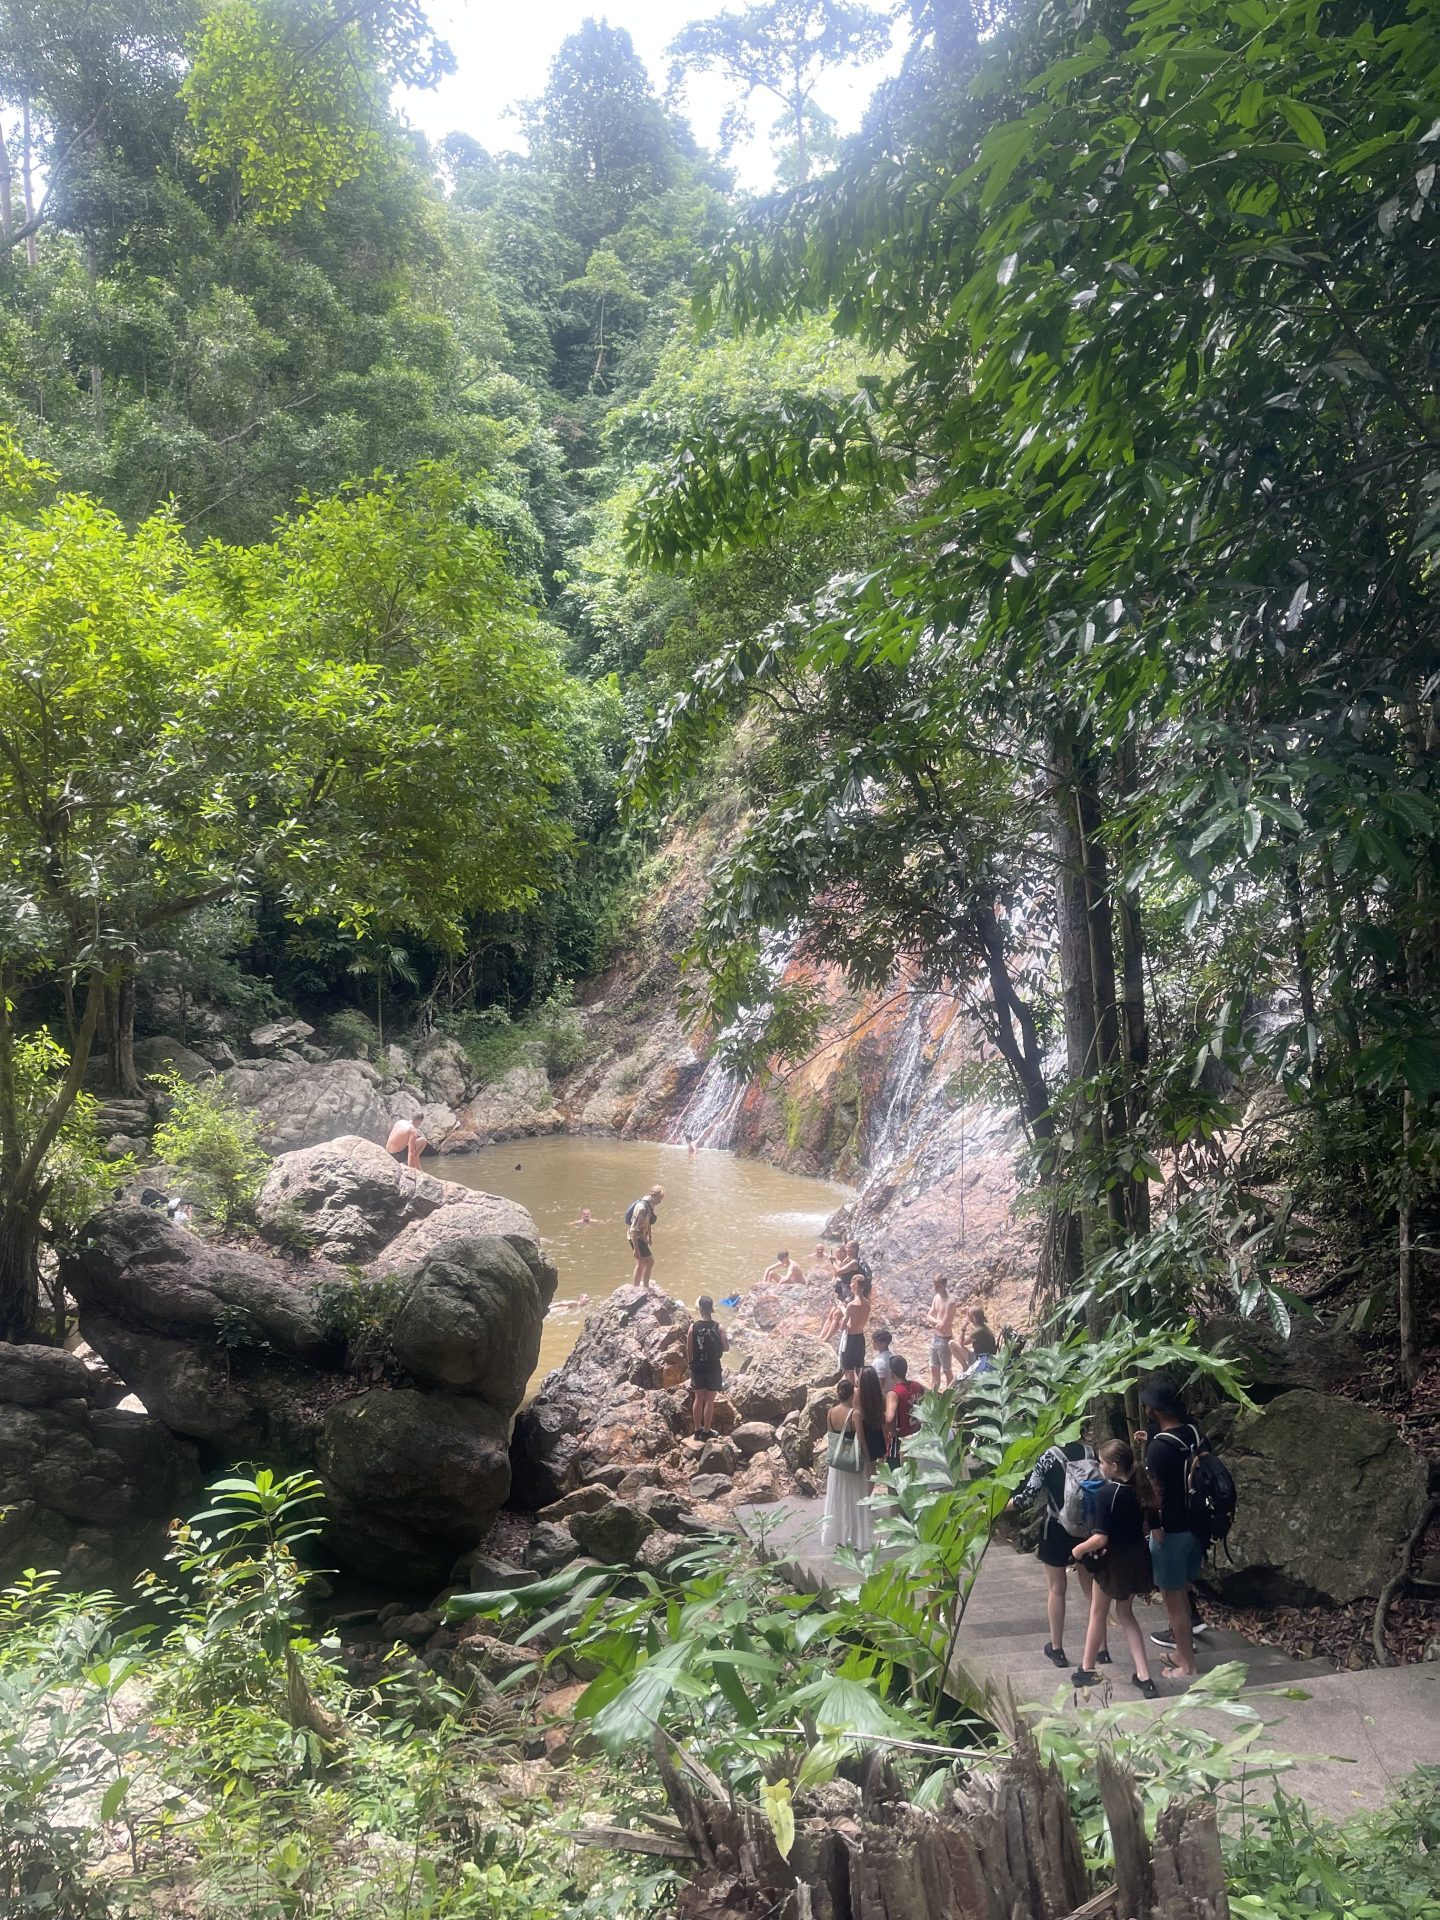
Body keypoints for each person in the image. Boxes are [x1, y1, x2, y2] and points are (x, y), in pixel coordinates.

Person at [1069, 1441, 1160, 1697]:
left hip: (1113, 1562)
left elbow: (1101, 1538)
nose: (1098, 1466)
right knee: (1125, 1612)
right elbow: (1155, 1530)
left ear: (1114, 1466)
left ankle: (1087, 1668)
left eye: (1101, 1462)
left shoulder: (1107, 1494)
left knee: (1098, 1612)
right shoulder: (1141, 1490)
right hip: (1137, 1558)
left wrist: (1078, 1551)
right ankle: (1144, 1676)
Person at [1009, 1439, 1106, 1671]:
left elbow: (1026, 1498)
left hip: (1055, 1528)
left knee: (1056, 1589)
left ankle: (1057, 1649)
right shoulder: (1089, 1451)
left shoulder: (1047, 1458)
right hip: (1086, 1529)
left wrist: (994, 1508)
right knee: (1090, 1590)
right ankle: (1102, 1650)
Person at [1135, 1374, 1210, 1652]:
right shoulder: (1194, 1432)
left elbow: (1154, 1495)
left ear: (1153, 1408)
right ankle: (1185, 1643)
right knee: (1184, 1586)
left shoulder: (1158, 1449)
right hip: (1198, 1526)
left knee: (1174, 1601)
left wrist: (1154, 1528)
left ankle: (1183, 1657)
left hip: (1171, 1531)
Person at [820, 1380, 873, 1552]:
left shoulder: (830, 1413)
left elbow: (832, 1438)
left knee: (839, 1499)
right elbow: (862, 1441)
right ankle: (855, 1538)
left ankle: (838, 1538)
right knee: (854, 1499)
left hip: (837, 1464)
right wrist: (869, 1463)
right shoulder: (855, 1414)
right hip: (852, 1463)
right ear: (852, 1395)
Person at [687, 1294, 728, 1439]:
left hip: (698, 1367)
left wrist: (691, 1364)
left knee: (698, 1398)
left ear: (700, 1309)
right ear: (711, 1309)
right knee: (710, 1399)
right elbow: (726, 1348)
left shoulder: (693, 1327)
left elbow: (689, 1350)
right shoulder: (719, 1327)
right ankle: (706, 1430)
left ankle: (697, 1429)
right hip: (713, 1367)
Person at [884, 1355, 925, 1463]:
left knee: (896, 1471)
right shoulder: (917, 1386)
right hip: (916, 1434)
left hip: (901, 1439)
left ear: (891, 1372)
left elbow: (889, 1418)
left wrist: (892, 1432)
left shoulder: (894, 1393)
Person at [625, 1185, 664, 1288]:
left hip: (641, 1235)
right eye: (660, 1198)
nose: (660, 1201)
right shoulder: (641, 1208)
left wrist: (650, 1236)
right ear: (654, 1196)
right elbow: (633, 1229)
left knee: (641, 1262)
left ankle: (636, 1287)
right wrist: (636, 1250)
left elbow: (648, 1221)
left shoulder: (650, 1204)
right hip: (636, 1237)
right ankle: (645, 1287)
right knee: (650, 1261)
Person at [839, 1271, 872, 1382]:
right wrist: (843, 1309)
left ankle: (852, 1394)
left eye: (851, 1284)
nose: (850, 1286)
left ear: (856, 1286)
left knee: (848, 1371)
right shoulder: (867, 1304)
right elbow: (858, 1320)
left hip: (851, 1340)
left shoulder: (851, 1305)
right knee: (859, 1369)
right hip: (860, 1338)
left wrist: (842, 1311)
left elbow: (843, 1326)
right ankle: (862, 1391)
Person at [928, 1276, 958, 1389]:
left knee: (946, 1370)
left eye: (938, 1286)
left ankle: (950, 1393)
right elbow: (928, 1316)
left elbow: (944, 1327)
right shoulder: (936, 1298)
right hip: (935, 1338)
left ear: (944, 1285)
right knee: (934, 1368)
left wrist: (934, 1323)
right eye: (935, 1285)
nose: (936, 1288)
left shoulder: (950, 1302)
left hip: (945, 1339)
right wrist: (937, 1323)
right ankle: (934, 1394)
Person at [856, 1364, 888, 1471]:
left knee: (865, 1472)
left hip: (862, 1437)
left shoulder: (857, 1399)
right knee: (872, 1472)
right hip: (876, 1436)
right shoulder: (881, 1398)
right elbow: (883, 1421)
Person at [819, 1277, 851, 1363]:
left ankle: (826, 1339)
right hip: (841, 1286)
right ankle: (821, 1336)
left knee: (836, 1315)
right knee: (831, 1314)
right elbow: (836, 1272)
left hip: (849, 1290)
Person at [870, 1328, 896, 1393]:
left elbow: (880, 1385)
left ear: (883, 1344)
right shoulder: (893, 1356)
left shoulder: (880, 1361)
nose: (873, 1343)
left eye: (875, 1342)